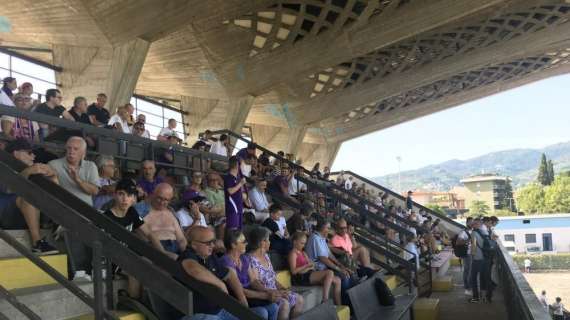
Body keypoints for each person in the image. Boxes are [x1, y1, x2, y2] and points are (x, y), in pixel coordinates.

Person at [101, 178, 165, 299]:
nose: (125, 199)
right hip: (110, 259)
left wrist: (162, 255)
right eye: (121, 194)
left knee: (151, 263)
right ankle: (134, 301)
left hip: (126, 256)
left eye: (129, 195)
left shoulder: (131, 212)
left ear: (134, 198)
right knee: (135, 268)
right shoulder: (106, 217)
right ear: (115, 195)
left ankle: (149, 302)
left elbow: (150, 233)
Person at [0, 139, 58, 254]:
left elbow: (53, 194)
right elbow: (7, 189)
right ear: (16, 153)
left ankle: (57, 224)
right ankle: (38, 242)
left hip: (22, 212)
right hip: (4, 210)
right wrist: (27, 172)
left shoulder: (30, 170)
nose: (33, 155)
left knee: (39, 195)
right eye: (29, 152)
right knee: (29, 196)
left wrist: (53, 177)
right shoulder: (3, 165)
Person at [179, 226, 250, 320]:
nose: (212, 245)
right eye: (208, 243)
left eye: (213, 241)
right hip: (194, 314)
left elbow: (229, 274)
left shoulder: (210, 257)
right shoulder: (188, 255)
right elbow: (193, 269)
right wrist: (220, 284)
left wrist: (243, 302)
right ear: (194, 244)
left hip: (217, 310)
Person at [220, 229, 280, 320]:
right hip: (236, 299)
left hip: (250, 297)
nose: (247, 243)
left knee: (274, 308)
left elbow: (253, 281)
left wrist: (268, 290)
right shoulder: (226, 261)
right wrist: (265, 295)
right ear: (233, 245)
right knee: (262, 312)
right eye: (243, 241)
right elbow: (240, 291)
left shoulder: (244, 258)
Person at [248, 226, 304, 320]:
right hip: (265, 295)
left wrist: (282, 289)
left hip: (276, 291)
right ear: (262, 242)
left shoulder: (266, 256)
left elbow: (272, 278)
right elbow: (255, 283)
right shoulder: (250, 259)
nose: (270, 242)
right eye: (268, 240)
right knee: (285, 304)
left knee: (299, 299)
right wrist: (275, 292)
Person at [288, 232, 341, 305]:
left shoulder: (303, 253)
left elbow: (310, 264)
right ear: (294, 242)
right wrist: (306, 266)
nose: (303, 246)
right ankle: (325, 300)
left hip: (308, 273)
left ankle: (339, 305)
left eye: (304, 243)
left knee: (337, 280)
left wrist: (310, 266)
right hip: (300, 277)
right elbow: (293, 271)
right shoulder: (293, 254)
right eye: (301, 243)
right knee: (329, 272)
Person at [48, 136, 99, 206]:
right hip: (63, 207)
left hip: (86, 210)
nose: (71, 152)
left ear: (83, 152)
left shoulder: (90, 166)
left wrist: (77, 179)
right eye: (69, 148)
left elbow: (95, 191)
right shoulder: (53, 164)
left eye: (76, 149)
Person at [143, 183, 187, 258]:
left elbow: (181, 239)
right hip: (156, 249)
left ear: (170, 200)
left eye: (166, 200)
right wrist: (163, 253)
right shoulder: (143, 211)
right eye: (159, 198)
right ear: (154, 194)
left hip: (176, 248)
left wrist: (186, 254)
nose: (162, 202)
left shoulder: (171, 213)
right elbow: (143, 238)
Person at [224, 156, 246, 232]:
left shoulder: (237, 178)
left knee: (239, 232)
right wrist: (240, 184)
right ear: (237, 165)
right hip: (233, 208)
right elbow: (230, 191)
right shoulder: (229, 177)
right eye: (242, 164)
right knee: (233, 232)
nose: (243, 166)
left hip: (239, 207)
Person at [469, 218, 488, 303]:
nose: (472, 225)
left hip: (477, 258)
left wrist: (472, 256)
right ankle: (484, 297)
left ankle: (475, 297)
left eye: (473, 224)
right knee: (483, 278)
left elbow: (474, 245)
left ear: (476, 225)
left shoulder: (473, 233)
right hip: (485, 257)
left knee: (473, 278)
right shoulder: (484, 232)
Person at [203, 173, 226, 238]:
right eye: (212, 180)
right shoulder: (207, 192)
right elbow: (213, 207)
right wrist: (224, 206)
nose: (215, 182)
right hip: (217, 216)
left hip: (225, 213)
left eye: (216, 179)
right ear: (208, 182)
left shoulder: (221, 191)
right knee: (225, 224)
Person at [456, 217, 473, 295]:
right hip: (467, 254)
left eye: (472, 222)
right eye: (470, 222)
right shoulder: (463, 232)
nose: (472, 224)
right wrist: (468, 241)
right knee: (467, 270)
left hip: (472, 253)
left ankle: (469, 285)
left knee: (470, 270)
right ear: (467, 223)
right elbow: (458, 242)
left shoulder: (473, 231)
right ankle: (467, 286)